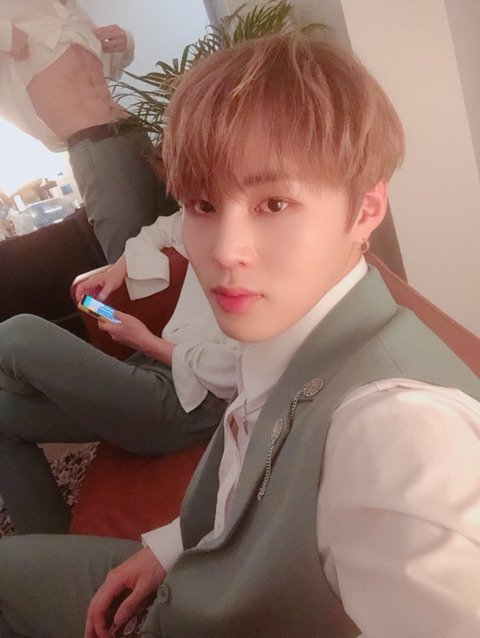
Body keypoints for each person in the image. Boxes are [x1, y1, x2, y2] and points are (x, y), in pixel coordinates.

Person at [1, 31, 480, 638]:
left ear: (365, 209)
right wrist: (170, 546)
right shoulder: (289, 329)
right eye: (203, 205)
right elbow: (240, 458)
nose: (225, 251)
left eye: (274, 203)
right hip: (192, 573)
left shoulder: (399, 433)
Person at [0, 210, 237, 535]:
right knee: (4, 415)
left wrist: (148, 342)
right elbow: (160, 230)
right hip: (155, 368)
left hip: (193, 402)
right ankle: (50, 547)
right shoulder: (207, 215)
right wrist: (115, 272)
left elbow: (237, 373)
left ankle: (20, 381)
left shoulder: (266, 256)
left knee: (19, 335)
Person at [0, 0, 177, 262]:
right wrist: (4, 33)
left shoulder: (73, 11)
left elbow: (104, 71)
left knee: (179, 236)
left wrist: (125, 42)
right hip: (97, 146)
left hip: (134, 133)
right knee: (133, 261)